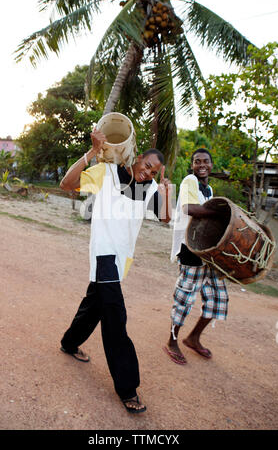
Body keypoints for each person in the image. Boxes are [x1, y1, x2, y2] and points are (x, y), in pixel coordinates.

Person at [60, 126, 172, 413]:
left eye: (153, 170)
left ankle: (69, 343)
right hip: (103, 254)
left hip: (121, 260)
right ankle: (127, 388)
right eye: (146, 165)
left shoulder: (148, 189)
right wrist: (93, 152)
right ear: (137, 158)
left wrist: (166, 192)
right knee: (115, 318)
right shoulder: (107, 173)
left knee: (94, 304)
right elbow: (66, 184)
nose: (147, 172)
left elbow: (164, 218)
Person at [164, 148, 228, 365]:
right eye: (197, 161)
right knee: (184, 299)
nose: (202, 165)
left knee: (218, 300)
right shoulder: (189, 181)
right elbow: (189, 208)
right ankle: (172, 341)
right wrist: (220, 213)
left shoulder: (209, 189)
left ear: (211, 164)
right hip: (190, 249)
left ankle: (193, 338)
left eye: (206, 161)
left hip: (208, 252)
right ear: (192, 165)